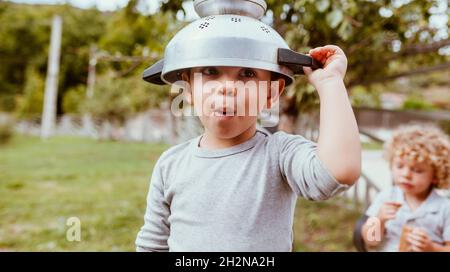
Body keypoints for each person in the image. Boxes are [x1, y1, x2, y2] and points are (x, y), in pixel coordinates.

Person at [136, 45, 361, 251]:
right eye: (210, 71)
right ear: (188, 88)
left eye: (247, 74)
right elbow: (152, 245)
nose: (226, 88)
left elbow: (338, 172)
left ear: (271, 93)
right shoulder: (170, 164)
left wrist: (330, 83)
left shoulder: (279, 153)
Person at [361, 125, 450, 252]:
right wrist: (379, 219)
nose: (406, 174)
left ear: (436, 175)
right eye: (399, 166)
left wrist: (432, 248)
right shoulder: (386, 197)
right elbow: (369, 240)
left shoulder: (445, 208)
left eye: (417, 170)